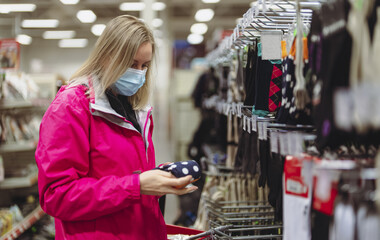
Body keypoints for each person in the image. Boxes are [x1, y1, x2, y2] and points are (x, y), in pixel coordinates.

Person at [35, 15, 197, 240]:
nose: (139, 73)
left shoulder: (133, 106)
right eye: (132, 64)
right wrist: (136, 185)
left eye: (144, 66)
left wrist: (158, 178)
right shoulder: (72, 107)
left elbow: (121, 172)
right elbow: (57, 195)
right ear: (106, 56)